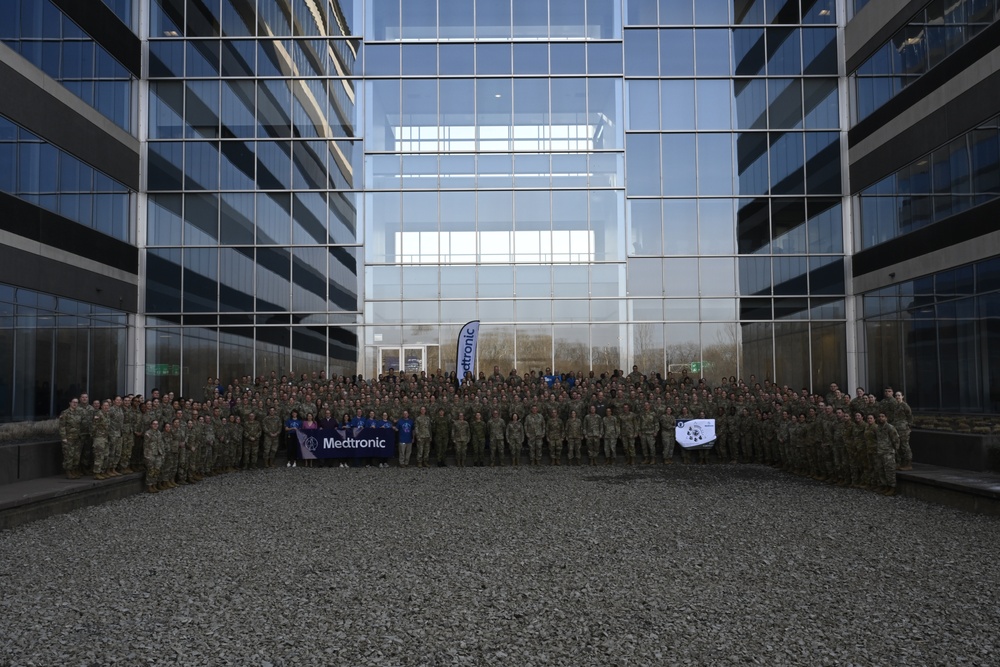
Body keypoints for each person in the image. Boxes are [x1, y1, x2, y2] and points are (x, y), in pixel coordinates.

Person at [58, 398, 83, 480]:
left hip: (77, 438)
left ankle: (74, 470)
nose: (75, 404)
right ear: (70, 403)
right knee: (69, 455)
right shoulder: (65, 413)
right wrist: (64, 438)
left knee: (76, 456)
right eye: (73, 402)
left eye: (76, 402)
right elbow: (62, 426)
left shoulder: (79, 413)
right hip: (69, 438)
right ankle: (68, 471)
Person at [143, 419, 164, 493]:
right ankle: (149, 485)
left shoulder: (159, 433)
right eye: (154, 424)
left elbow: (161, 444)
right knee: (151, 470)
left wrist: (162, 454)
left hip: (158, 453)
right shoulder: (148, 433)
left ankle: (154, 484)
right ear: (151, 425)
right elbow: (146, 446)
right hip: (151, 454)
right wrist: (147, 456)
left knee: (157, 470)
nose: (155, 425)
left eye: (157, 424)